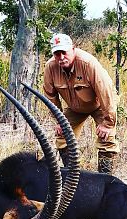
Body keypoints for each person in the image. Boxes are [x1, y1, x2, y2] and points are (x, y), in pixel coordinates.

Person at [43, 33, 120, 175]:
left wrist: (108, 124)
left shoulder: (88, 63)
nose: (61, 57)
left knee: (107, 139)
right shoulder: (50, 67)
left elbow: (106, 93)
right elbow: (50, 96)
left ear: (73, 48)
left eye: (64, 52)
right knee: (62, 137)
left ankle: (106, 181)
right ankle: (74, 177)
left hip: (99, 105)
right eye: (56, 54)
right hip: (74, 108)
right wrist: (59, 120)